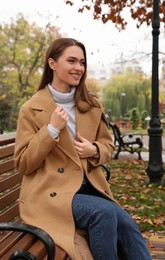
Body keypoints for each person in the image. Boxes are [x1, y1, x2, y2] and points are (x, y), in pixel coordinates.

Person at [14, 37, 152, 260]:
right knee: (104, 213)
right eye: (71, 61)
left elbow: (108, 145)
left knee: (128, 227)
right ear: (52, 64)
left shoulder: (91, 104)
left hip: (89, 188)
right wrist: (50, 130)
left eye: (82, 62)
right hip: (51, 193)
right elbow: (23, 163)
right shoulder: (31, 109)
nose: (79, 68)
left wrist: (94, 150)